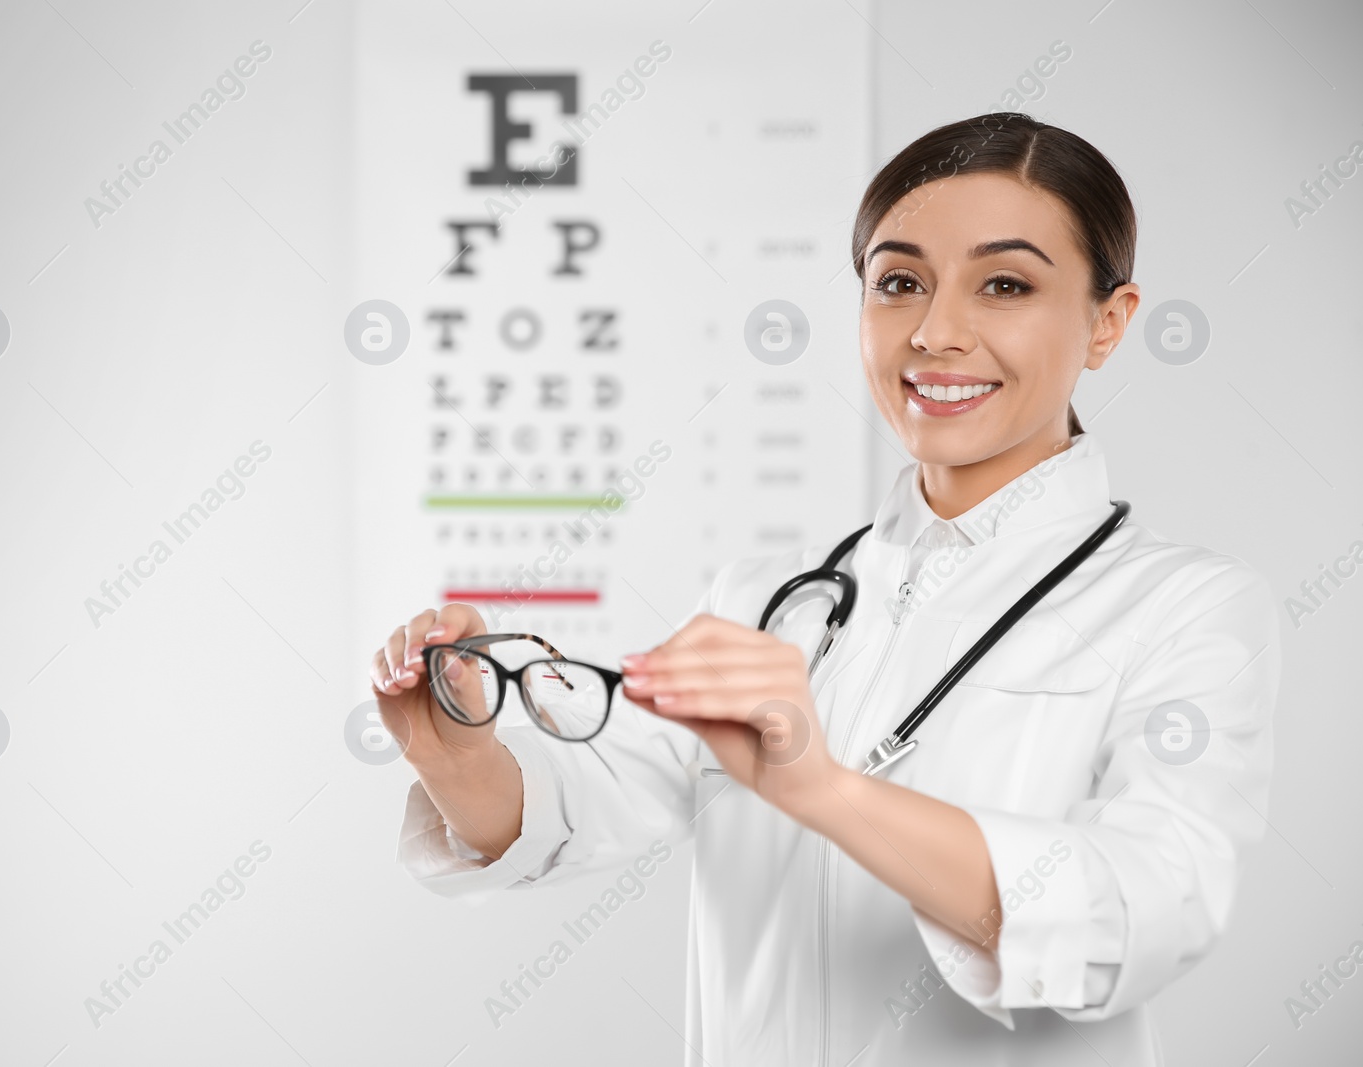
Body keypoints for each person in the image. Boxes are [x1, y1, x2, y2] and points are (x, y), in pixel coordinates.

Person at [369, 112, 1280, 1065]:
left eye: (1005, 284)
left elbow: (1141, 912)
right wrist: (458, 751)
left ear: (1108, 322)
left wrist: (825, 791)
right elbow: (581, 806)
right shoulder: (773, 599)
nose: (935, 331)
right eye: (899, 283)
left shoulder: (1191, 610)